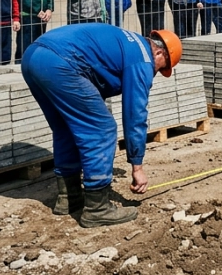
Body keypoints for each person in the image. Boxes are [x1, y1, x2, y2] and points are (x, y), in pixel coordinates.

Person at [20, 25, 183, 227]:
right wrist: (137, 166)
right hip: (60, 62)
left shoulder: (129, 42)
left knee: (66, 127)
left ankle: (69, 198)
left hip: (33, 57)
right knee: (101, 129)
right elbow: (135, 115)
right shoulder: (143, 59)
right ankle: (97, 209)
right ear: (159, 52)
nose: (156, 72)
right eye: (162, 67)